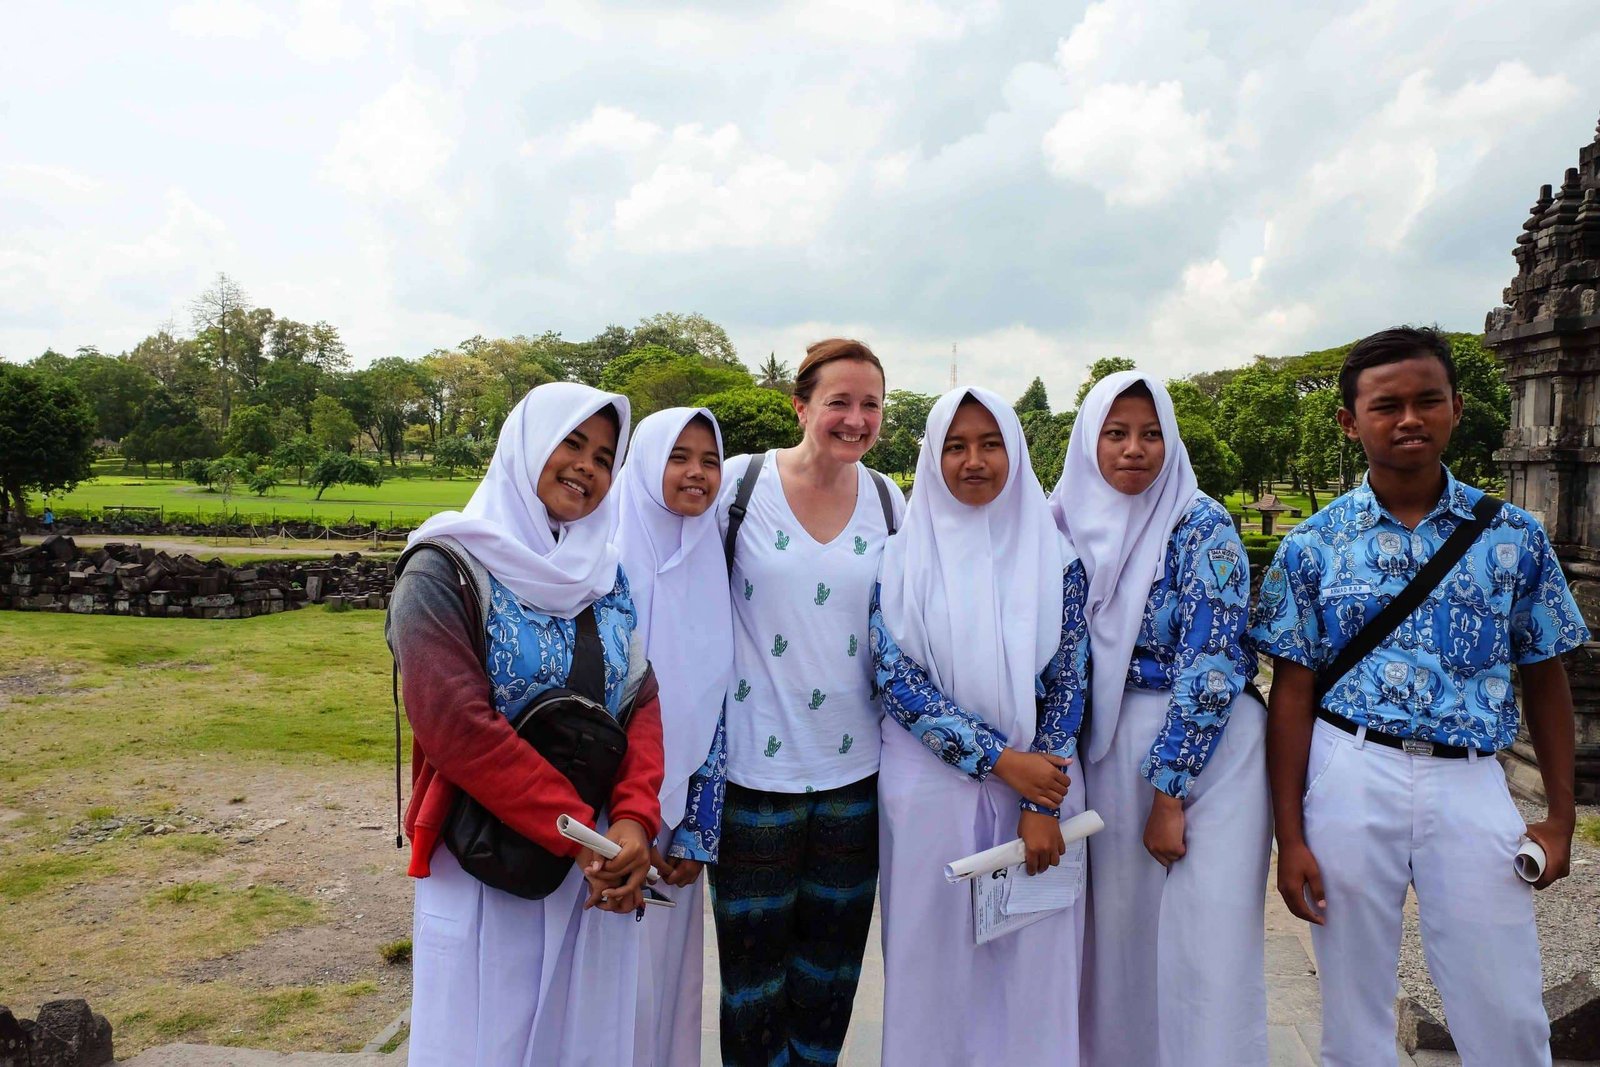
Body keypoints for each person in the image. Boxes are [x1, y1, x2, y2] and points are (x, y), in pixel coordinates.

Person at [1251, 326, 1589, 1067]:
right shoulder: (1312, 545)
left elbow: (1545, 673)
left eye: (1427, 400)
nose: (1409, 418)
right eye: (1387, 404)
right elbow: (1293, 693)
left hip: (1470, 776)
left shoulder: (1513, 537)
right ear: (1350, 420)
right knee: (1352, 1008)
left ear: (1456, 408)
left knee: (1505, 1007)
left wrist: (1560, 816)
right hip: (1351, 766)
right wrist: (1291, 836)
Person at [386, 382, 665, 1067]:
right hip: (489, 857)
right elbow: (458, 726)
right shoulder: (442, 568)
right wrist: (576, 833)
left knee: (585, 1037)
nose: (587, 467)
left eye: (604, 455)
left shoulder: (605, 575)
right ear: (527, 443)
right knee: (488, 1039)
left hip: (595, 863)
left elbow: (641, 699)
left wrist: (631, 823)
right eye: (572, 442)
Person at [1052, 371, 1270, 1067]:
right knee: (1118, 939)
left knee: (1208, 941)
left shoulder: (1198, 521)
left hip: (1207, 748)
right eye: (1116, 433)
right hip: (1107, 744)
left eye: (1151, 433)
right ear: (1089, 439)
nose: (1134, 449)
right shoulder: (1061, 518)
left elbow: (1212, 658)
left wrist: (1168, 792)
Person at [870, 387, 1090, 1066]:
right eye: (955, 446)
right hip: (928, 792)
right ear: (931, 456)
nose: (973, 461)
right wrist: (1000, 759)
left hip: (1041, 800)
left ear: (1016, 453)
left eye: (990, 444)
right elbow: (895, 678)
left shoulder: (1057, 560)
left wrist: (1035, 798)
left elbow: (1069, 686)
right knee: (931, 971)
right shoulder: (900, 558)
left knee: (1032, 969)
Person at [713, 338, 905, 1066]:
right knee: (752, 984)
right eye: (839, 402)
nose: (856, 419)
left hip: (854, 775)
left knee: (830, 977)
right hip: (751, 779)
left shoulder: (890, 500)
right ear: (801, 406)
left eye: (870, 404)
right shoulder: (740, 485)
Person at [614, 407, 733, 1067]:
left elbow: (718, 703)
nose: (696, 472)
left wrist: (699, 828)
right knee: (609, 988)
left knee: (664, 991)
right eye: (679, 456)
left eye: (710, 459)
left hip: (675, 819)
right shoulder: (603, 556)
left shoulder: (709, 557)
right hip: (604, 818)